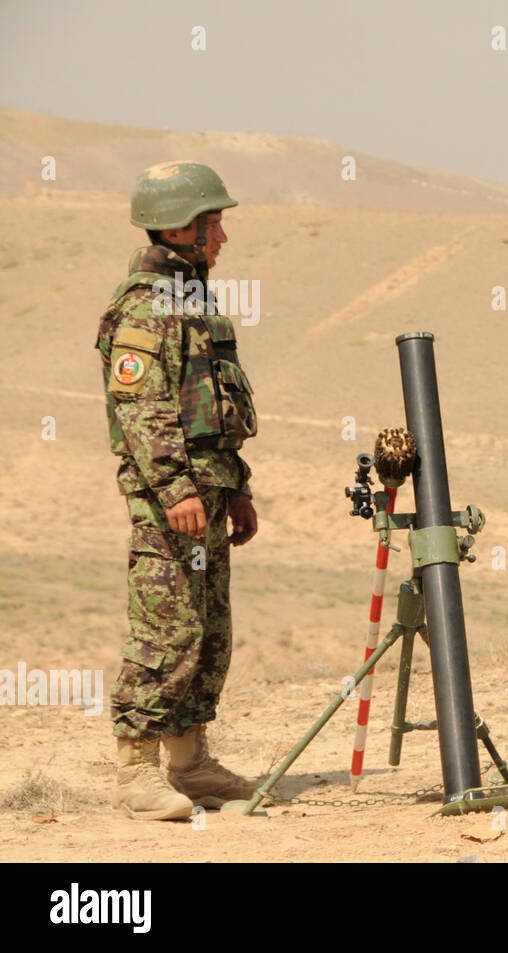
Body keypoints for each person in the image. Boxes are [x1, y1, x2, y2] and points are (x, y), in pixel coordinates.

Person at [95, 161, 260, 819]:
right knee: (166, 632)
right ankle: (136, 773)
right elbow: (142, 404)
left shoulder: (194, 299)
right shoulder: (144, 303)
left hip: (211, 492)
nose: (221, 237)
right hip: (173, 501)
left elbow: (212, 406)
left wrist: (238, 487)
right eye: (213, 223)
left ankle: (189, 763)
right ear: (179, 226)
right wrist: (171, 485)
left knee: (210, 631)